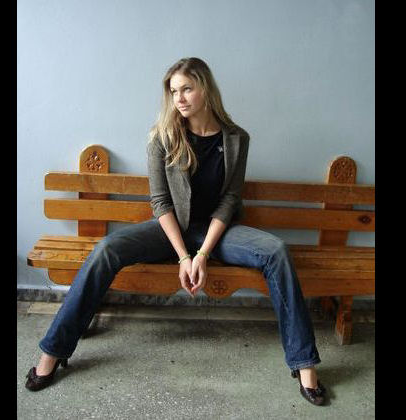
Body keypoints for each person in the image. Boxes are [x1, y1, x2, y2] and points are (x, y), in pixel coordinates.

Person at [25, 57, 326, 406]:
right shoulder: (163, 137)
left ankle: (304, 364)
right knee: (106, 249)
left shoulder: (236, 139)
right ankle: (53, 351)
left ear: (205, 90)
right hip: (170, 231)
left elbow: (230, 200)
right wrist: (184, 255)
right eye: (173, 91)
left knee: (276, 251)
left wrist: (203, 253)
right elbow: (160, 202)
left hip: (216, 233)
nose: (179, 98)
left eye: (186, 89)